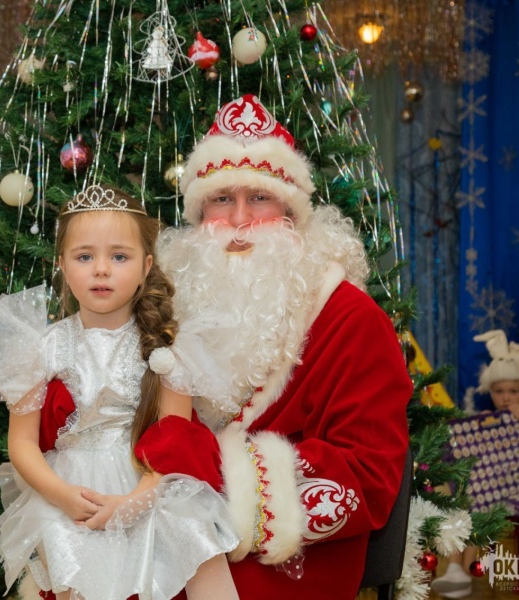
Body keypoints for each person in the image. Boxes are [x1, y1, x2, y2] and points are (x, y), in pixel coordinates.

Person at [142, 94, 413, 599]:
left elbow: (369, 474)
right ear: (199, 214)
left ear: (291, 212)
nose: (240, 218)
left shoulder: (351, 320)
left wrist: (216, 477)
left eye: (260, 198)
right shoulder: (169, 306)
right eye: (222, 199)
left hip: (288, 560)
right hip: (171, 531)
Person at [0, 184, 239, 600]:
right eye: (84, 256)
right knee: (75, 563)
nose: (101, 269)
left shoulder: (168, 348)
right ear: (62, 265)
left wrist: (132, 503)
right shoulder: (38, 347)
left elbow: (175, 443)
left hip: (147, 483)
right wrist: (62, 496)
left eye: (119, 257)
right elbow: (22, 444)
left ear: (145, 267)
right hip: (68, 490)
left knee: (191, 533)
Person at [431, 330, 519, 599]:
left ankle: (462, 573)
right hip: (492, 488)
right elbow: (475, 459)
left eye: (513, 391)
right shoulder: (489, 419)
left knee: (477, 502)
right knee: (466, 499)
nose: (506, 398)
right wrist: (482, 430)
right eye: (499, 391)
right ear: (490, 392)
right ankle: (456, 569)